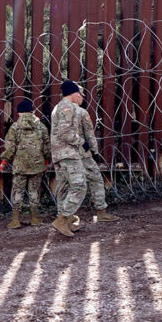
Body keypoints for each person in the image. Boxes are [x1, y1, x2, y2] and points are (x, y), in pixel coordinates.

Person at [50, 80, 93, 237]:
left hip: (59, 154)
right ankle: (63, 219)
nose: (80, 97)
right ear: (74, 94)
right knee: (79, 185)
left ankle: (65, 220)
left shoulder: (58, 107)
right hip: (68, 153)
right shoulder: (67, 107)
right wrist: (82, 143)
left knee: (64, 187)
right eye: (79, 94)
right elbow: (65, 132)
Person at [0, 99, 51, 229]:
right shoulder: (41, 126)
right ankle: (34, 218)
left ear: (19, 112)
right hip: (37, 165)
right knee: (34, 191)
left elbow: (10, 147)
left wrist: (4, 161)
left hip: (20, 166)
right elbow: (46, 146)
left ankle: (16, 220)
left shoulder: (15, 127)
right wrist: (46, 159)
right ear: (32, 111)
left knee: (18, 192)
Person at [77, 92, 120, 223]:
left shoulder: (58, 111)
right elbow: (89, 134)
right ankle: (101, 211)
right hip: (82, 153)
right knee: (96, 179)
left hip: (64, 155)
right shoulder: (81, 112)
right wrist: (95, 152)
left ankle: (64, 216)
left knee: (67, 184)